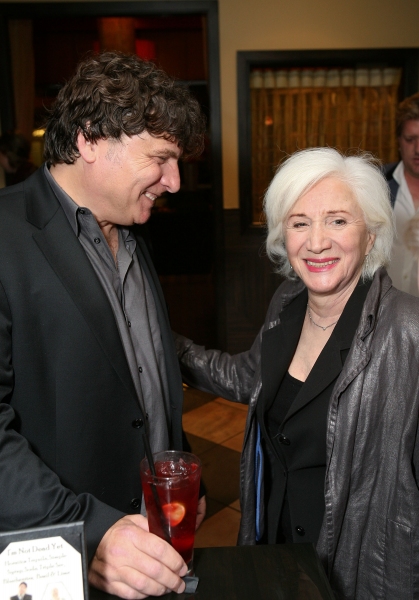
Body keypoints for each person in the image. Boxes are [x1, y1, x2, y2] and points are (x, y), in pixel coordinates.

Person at [0, 51, 206, 599]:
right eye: (161, 159)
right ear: (91, 138)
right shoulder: (4, 236)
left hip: (155, 543)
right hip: (63, 562)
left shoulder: (133, 236)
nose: (175, 181)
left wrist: (178, 466)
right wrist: (92, 533)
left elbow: (135, 373)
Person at [175, 147, 419, 599]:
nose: (317, 241)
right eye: (299, 222)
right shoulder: (286, 305)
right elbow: (247, 378)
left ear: (371, 235)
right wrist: (163, 346)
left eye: (338, 220)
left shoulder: (408, 330)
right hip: (279, 553)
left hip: (358, 569)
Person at [385, 92, 419, 295]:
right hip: (383, 316)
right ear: (399, 141)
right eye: (410, 139)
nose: (418, 149)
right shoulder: (378, 186)